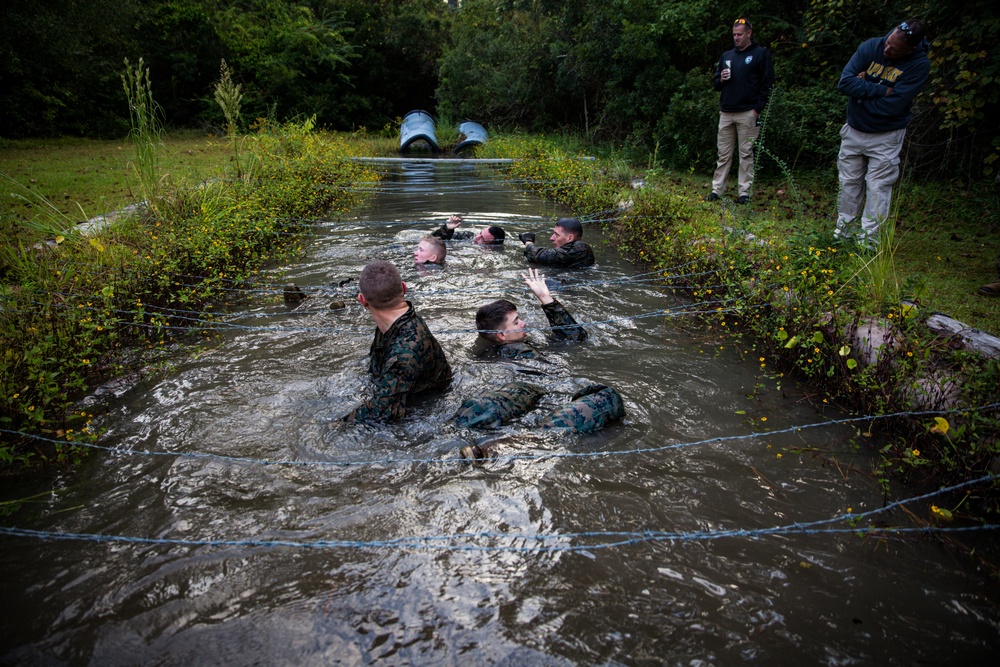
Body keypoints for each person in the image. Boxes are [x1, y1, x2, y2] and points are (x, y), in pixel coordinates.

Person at [835, 19, 930, 247]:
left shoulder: (919, 64)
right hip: (854, 129)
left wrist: (861, 96)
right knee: (848, 183)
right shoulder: (871, 46)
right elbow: (845, 83)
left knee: (878, 188)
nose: (886, 50)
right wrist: (880, 90)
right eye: (888, 43)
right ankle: (843, 236)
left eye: (894, 49)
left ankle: (868, 243)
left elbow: (894, 106)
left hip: (886, 136)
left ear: (911, 48)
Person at [344, 260, 452, 423]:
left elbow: (381, 413)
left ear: (362, 300)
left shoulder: (405, 351)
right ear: (403, 288)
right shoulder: (393, 323)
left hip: (428, 412)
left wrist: (331, 426)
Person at [707, 17, 774, 205]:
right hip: (726, 111)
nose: (736, 38)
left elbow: (767, 84)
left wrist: (757, 110)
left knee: (746, 153)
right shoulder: (727, 56)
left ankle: (744, 192)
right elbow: (715, 84)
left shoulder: (761, 54)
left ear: (749, 34)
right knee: (723, 154)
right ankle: (716, 190)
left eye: (739, 34)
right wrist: (721, 78)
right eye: (734, 35)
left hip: (748, 112)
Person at [472, 267, 587, 359]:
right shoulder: (519, 351)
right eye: (516, 323)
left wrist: (545, 297)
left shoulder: (502, 350)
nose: (524, 323)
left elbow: (575, 338)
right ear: (502, 335)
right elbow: (577, 338)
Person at [519, 217, 595, 268]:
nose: (551, 238)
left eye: (557, 235)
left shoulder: (579, 248)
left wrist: (528, 242)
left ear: (570, 237)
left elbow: (541, 256)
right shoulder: (573, 249)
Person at [432, 214, 506, 245]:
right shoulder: (467, 236)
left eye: (482, 238)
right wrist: (447, 229)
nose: (477, 237)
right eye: (480, 233)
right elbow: (433, 240)